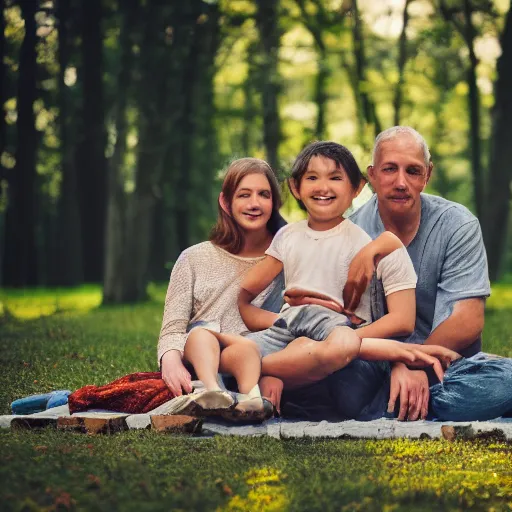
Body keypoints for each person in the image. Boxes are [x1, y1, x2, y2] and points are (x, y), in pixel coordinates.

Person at [186, 141, 458, 415]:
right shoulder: (288, 237)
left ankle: (253, 377)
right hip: (288, 337)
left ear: (357, 188)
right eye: (312, 178)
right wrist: (285, 319)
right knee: (206, 338)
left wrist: (348, 343)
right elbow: (246, 295)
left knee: (320, 354)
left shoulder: (367, 243)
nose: (323, 187)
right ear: (295, 188)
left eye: (335, 178)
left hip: (341, 344)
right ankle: (229, 384)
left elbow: (402, 320)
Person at [284, 127, 512, 422]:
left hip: (444, 366)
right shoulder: (345, 233)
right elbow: (338, 327)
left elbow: (467, 320)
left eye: (413, 171)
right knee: (335, 377)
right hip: (369, 366)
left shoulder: (457, 225)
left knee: (503, 381)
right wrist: (394, 359)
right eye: (390, 169)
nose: (401, 182)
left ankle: (393, 406)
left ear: (427, 175)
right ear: (373, 175)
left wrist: (415, 363)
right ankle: (412, 405)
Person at [157, 157, 286, 420]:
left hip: (253, 358)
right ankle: (212, 392)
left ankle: (246, 398)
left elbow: (291, 325)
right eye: (244, 195)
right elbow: (172, 328)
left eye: (264, 195)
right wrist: (170, 360)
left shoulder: (286, 260)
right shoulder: (193, 259)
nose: (254, 204)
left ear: (274, 203)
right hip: (200, 357)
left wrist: (274, 374)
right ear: (226, 202)